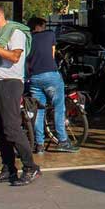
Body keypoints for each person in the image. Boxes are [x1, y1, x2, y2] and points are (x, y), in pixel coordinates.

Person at [0, 4, 38, 184]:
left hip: (10, 84)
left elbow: (14, 57)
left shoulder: (15, 32)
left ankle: (30, 167)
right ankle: (8, 168)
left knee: (11, 128)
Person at [26, 16, 72, 153]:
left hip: (34, 77)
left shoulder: (27, 39)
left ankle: (39, 144)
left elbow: (27, 62)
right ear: (38, 26)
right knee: (59, 107)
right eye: (44, 26)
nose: (45, 28)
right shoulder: (50, 34)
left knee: (39, 111)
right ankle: (63, 141)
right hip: (50, 74)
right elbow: (52, 55)